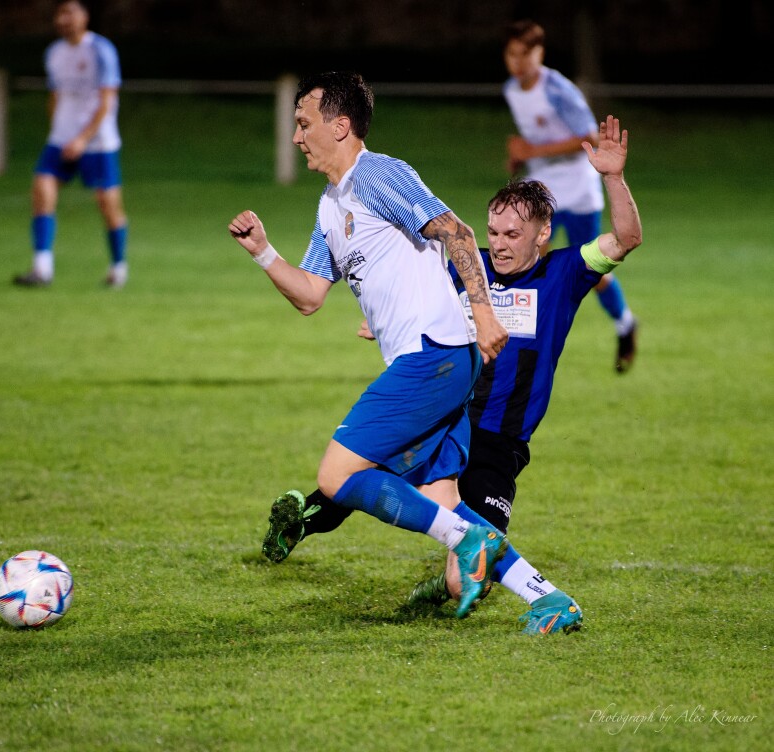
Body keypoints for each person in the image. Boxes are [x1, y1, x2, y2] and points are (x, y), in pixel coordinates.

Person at [264, 114, 642, 635]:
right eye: (493, 232)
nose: (502, 244)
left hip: (497, 440)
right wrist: (387, 322)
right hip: (450, 409)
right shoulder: (468, 269)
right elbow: (415, 289)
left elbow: (626, 237)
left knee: (455, 562)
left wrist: (613, 179)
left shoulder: (564, 272)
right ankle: (305, 517)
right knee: (367, 465)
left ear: (541, 234)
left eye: (514, 233)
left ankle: (467, 585)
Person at [228, 71, 511, 619]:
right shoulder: (330, 206)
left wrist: (482, 312)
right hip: (438, 361)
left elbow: (457, 232)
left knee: (336, 477)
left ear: (341, 125)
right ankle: (547, 597)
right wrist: (263, 252)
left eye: (303, 124)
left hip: (435, 353)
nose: (296, 138)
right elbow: (311, 295)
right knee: (441, 498)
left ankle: (466, 541)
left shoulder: (377, 174)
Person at [503, 19, 638, 372]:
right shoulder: (512, 90)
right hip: (542, 195)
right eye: (512, 54)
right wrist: (520, 156)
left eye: (525, 54)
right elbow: (535, 138)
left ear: (540, 54)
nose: (518, 62)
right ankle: (523, 345)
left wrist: (531, 151)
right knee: (526, 265)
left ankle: (625, 323)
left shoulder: (558, 89)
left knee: (592, 271)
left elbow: (589, 137)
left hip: (578, 193)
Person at [14, 0, 129, 288]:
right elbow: (56, 95)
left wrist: (82, 138)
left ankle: (118, 267)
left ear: (85, 17)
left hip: (98, 143)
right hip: (60, 140)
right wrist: (58, 130)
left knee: (107, 204)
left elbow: (107, 100)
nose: (65, 19)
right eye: (61, 13)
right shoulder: (54, 53)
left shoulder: (100, 50)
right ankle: (42, 268)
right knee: (42, 191)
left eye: (71, 12)